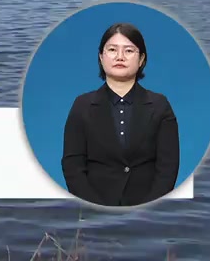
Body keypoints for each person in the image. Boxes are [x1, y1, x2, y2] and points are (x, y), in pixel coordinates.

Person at [61, 22, 180, 206]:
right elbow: (72, 166)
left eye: (129, 51)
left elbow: (168, 168)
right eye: (112, 50)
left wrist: (147, 209)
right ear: (101, 57)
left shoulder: (160, 105)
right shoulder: (82, 105)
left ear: (141, 59)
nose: (120, 57)